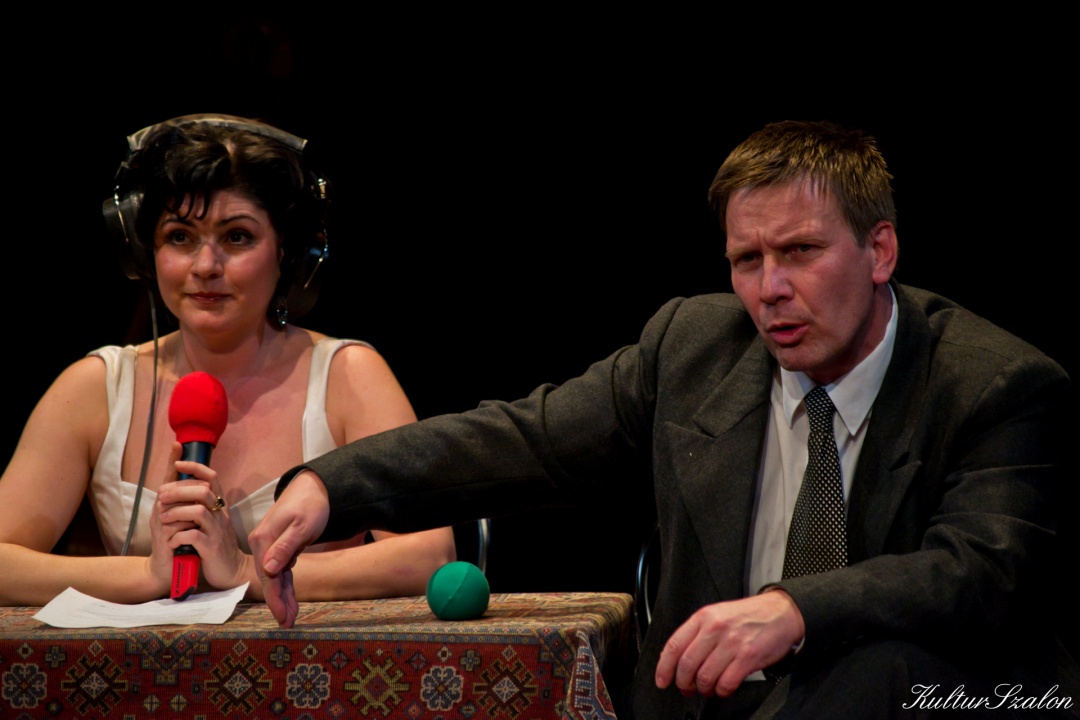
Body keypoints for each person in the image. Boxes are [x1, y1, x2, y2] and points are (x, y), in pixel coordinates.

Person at [249, 121, 1079, 718]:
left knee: (875, 670)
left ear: (880, 251)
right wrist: (331, 485)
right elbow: (527, 440)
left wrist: (795, 609)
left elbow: (979, 572)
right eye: (747, 260)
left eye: (800, 251)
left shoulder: (993, 384)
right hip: (708, 707)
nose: (769, 289)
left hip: (924, 696)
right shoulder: (693, 348)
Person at [0, 114, 455, 607]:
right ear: (144, 253)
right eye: (180, 237)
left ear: (288, 253)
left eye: (237, 237)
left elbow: (428, 556)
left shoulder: (348, 376)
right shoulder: (95, 387)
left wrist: (244, 572)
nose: (205, 266)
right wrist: (147, 576)